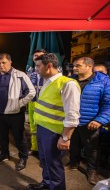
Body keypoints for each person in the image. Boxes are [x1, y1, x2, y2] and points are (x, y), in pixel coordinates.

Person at [28, 53, 81, 190]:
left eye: (39, 66)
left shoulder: (67, 84)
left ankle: (56, 187)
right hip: (42, 128)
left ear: (49, 66)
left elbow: (73, 115)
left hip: (55, 133)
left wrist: (65, 137)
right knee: (45, 161)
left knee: (54, 164)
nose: (36, 69)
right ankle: (46, 183)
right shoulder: (47, 81)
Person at [68, 57, 110, 185]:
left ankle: (91, 171)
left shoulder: (104, 82)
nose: (74, 68)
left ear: (89, 66)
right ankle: (73, 163)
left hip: (91, 122)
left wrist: (100, 120)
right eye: (74, 66)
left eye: (78, 65)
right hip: (73, 121)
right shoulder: (71, 80)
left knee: (92, 149)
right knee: (74, 144)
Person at [0, 53, 35, 171]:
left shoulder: (20, 75)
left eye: (4, 63)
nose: (1, 65)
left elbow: (31, 92)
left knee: (18, 137)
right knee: (2, 136)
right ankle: (4, 154)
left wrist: (19, 104)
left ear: (10, 62)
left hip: (16, 114)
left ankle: (23, 157)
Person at [27, 48, 47, 156]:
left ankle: (43, 151)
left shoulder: (50, 69)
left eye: (40, 55)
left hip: (44, 103)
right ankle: (34, 148)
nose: (37, 57)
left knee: (43, 127)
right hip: (32, 102)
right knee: (33, 127)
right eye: (35, 55)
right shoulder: (30, 70)